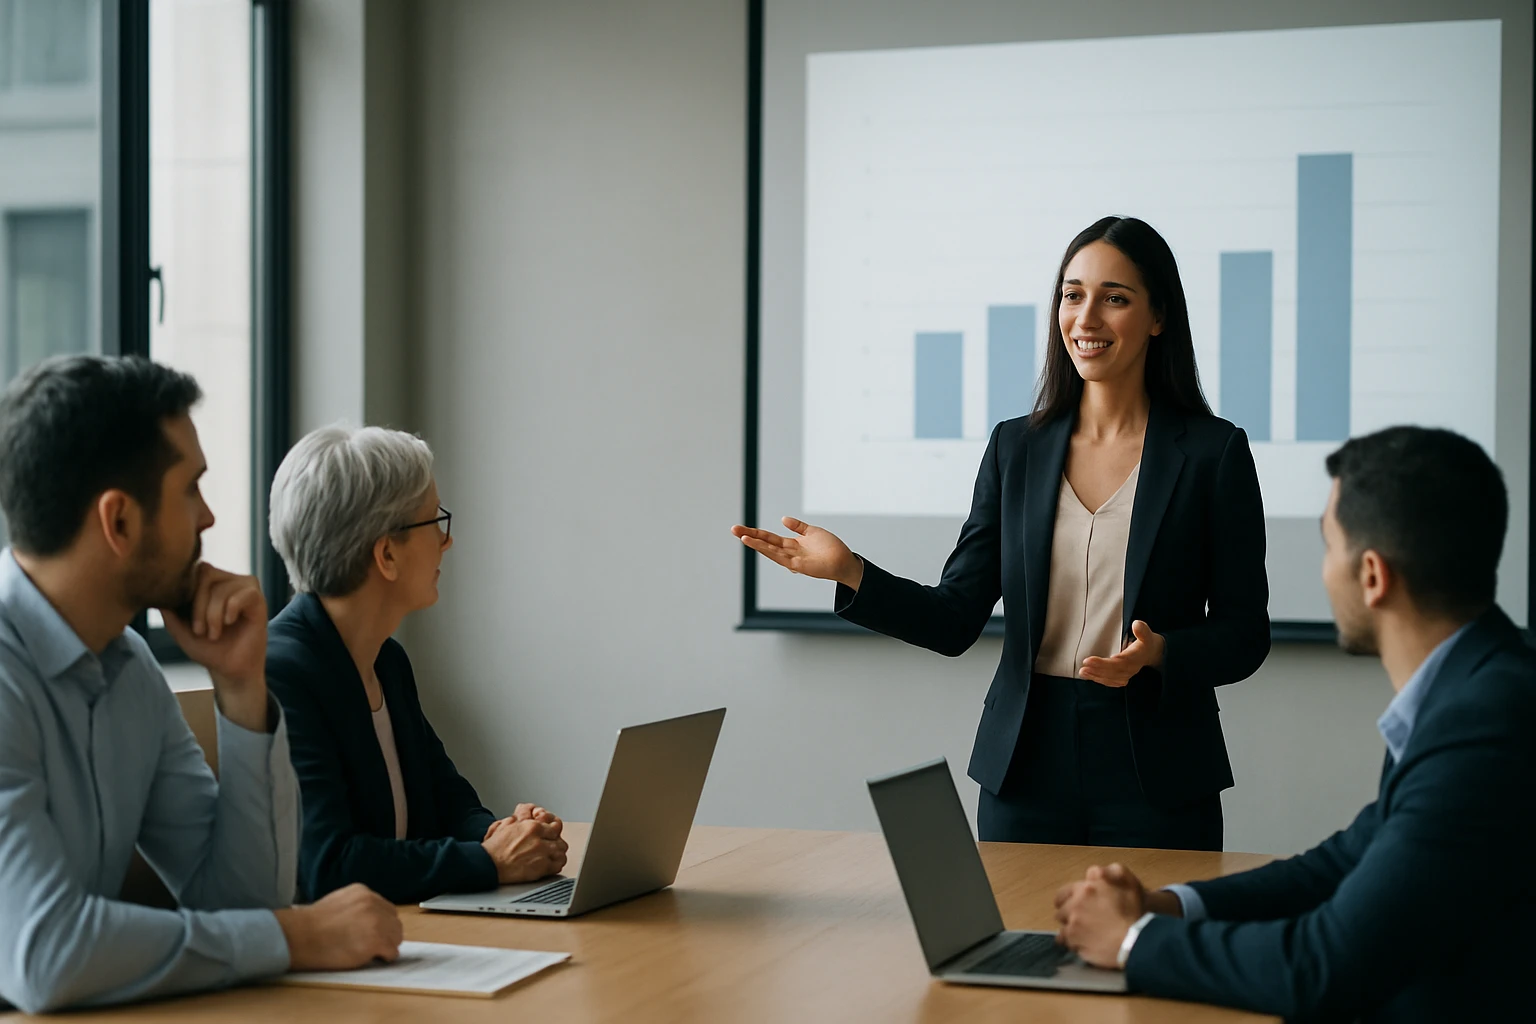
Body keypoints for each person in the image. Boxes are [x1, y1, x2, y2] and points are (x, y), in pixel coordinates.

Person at [735, 216, 1269, 848]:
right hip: (1025, 766)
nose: (1086, 318)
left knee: (1149, 949)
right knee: (1015, 948)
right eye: (1073, 295)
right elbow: (955, 618)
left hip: (1158, 769)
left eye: (1114, 298)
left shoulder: (1213, 453)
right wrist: (851, 573)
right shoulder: (1016, 447)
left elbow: (1244, 635)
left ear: (1158, 317)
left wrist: (1161, 654)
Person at [1053, 426, 1535, 1022]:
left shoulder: (1482, 728)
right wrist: (1164, 906)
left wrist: (1131, 941)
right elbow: (1345, 863)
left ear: (1373, 576)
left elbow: (1322, 966)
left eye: (1328, 546)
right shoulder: (1477, 688)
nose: (1324, 570)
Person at [0, 356, 401, 1014]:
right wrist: (297, 935)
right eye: (191, 490)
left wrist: (241, 688)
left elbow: (242, 903)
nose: (209, 518)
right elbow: (43, 954)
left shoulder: (129, 669)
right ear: (120, 521)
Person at [265, 426, 567, 905]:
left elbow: (448, 801)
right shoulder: (279, 673)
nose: (446, 543)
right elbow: (329, 865)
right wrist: (490, 862)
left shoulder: (386, 658)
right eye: (435, 523)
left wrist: (503, 834)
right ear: (386, 554)